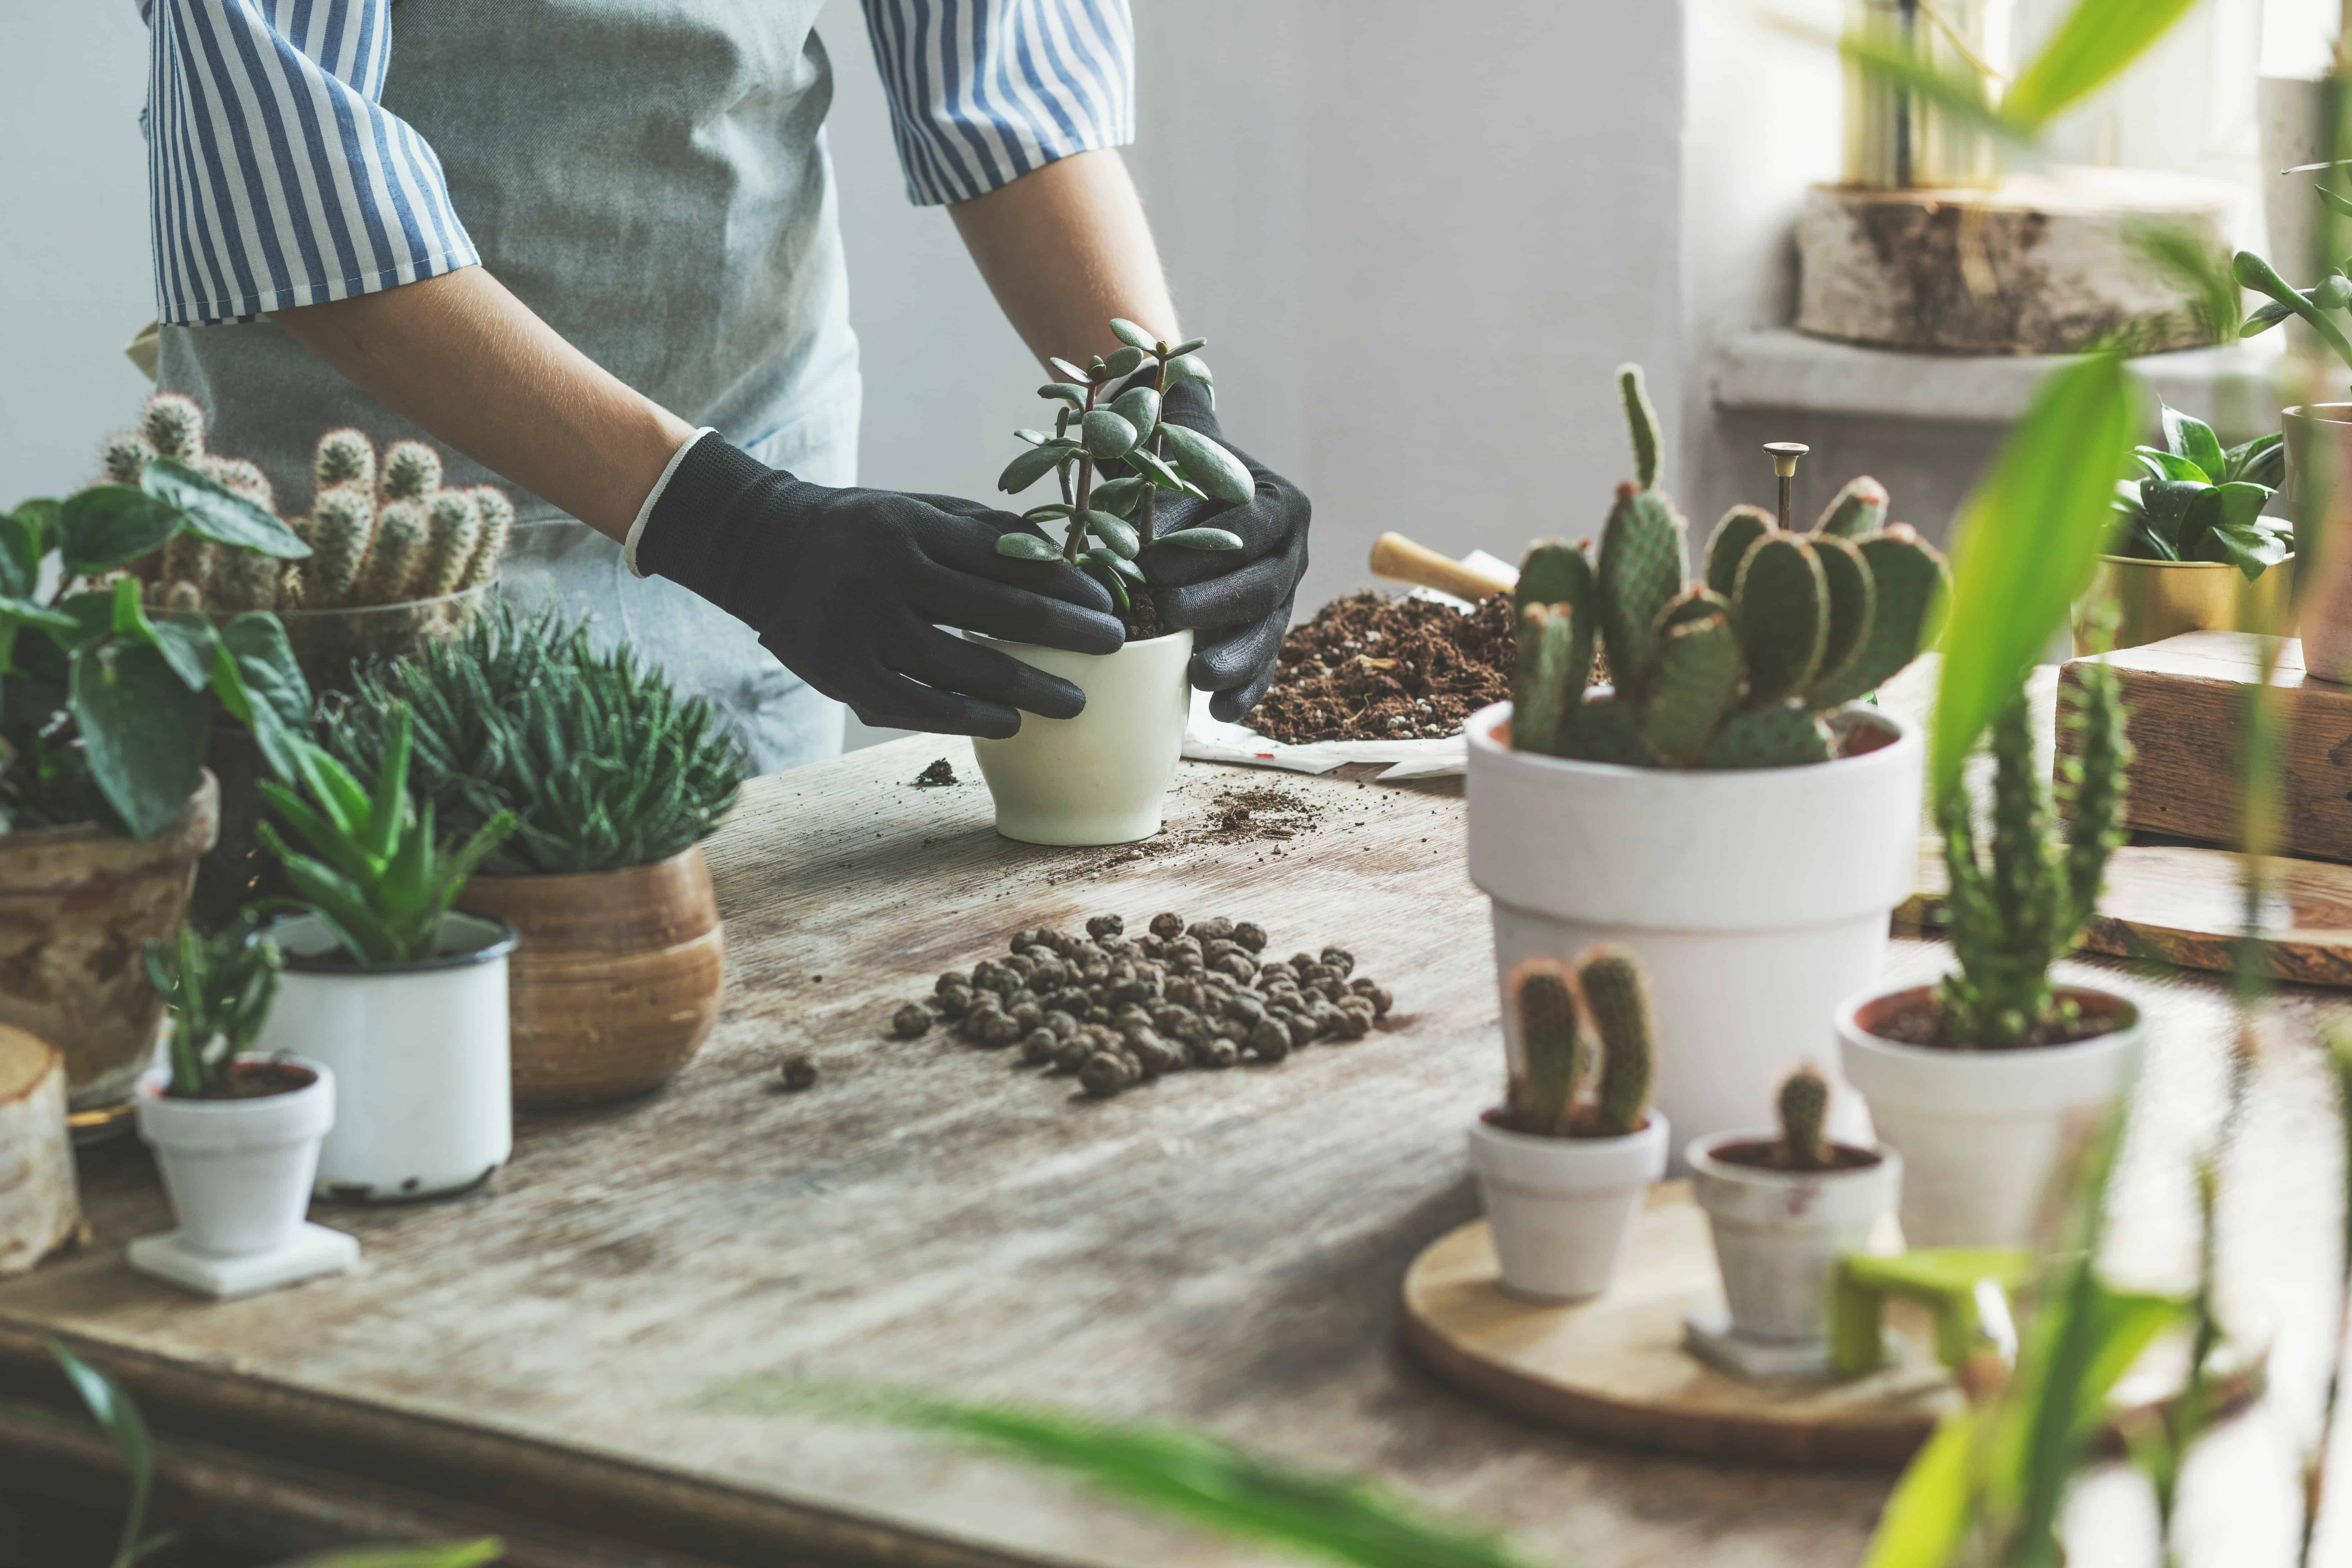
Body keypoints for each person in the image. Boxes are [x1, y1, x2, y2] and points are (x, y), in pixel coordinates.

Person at [139, 0, 1310, 771]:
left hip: (760, 504)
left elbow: (999, 65)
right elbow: (281, 169)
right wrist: (729, 526)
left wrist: (1159, 418)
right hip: (379, 542)